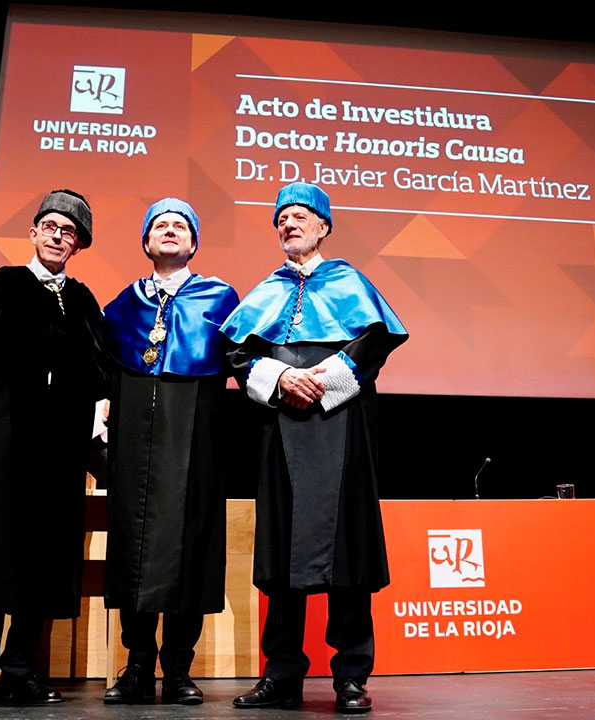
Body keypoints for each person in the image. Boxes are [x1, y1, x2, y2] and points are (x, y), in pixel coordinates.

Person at [221, 182, 407, 714]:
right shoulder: (267, 289)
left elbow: (374, 344)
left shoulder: (350, 281)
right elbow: (237, 352)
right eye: (282, 218)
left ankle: (350, 674)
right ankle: (281, 673)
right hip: (283, 424)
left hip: (340, 422)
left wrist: (323, 380)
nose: (289, 224)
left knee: (347, 550)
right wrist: (281, 378)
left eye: (300, 216)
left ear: (324, 226)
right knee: (282, 552)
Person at [0, 189, 106, 707]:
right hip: (3, 443)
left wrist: (96, 447)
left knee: (46, 558)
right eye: (50, 226)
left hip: (58, 455)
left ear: (78, 244)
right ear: (32, 233)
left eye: (68, 231)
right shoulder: (6, 285)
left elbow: (100, 380)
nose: (58, 236)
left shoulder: (81, 300)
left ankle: (21, 669)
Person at [99, 198, 239, 705]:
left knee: (192, 543)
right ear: (146, 242)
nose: (170, 231)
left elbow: (244, 361)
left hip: (195, 436)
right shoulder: (123, 304)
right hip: (136, 439)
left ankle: (179, 668)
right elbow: (101, 370)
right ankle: (136, 665)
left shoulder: (220, 298)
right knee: (133, 544)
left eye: (181, 225)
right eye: (160, 226)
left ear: (194, 241)